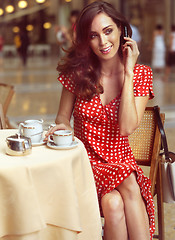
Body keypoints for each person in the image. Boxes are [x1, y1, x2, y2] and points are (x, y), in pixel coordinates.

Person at [46, 1, 155, 240]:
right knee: (128, 181)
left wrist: (128, 72)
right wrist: (63, 125)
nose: (103, 42)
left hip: (120, 161)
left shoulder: (141, 74)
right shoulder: (78, 73)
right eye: (94, 36)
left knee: (115, 203)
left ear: (121, 30)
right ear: (86, 40)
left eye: (108, 31)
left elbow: (126, 127)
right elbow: (62, 116)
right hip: (85, 163)